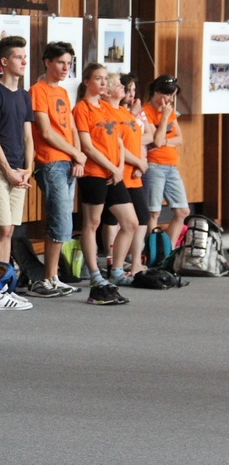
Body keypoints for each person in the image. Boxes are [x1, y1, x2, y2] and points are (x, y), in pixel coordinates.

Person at [73, 63, 138, 304]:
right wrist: (111, 168)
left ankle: (118, 271)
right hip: (94, 173)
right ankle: (95, 275)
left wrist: (119, 168)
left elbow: (119, 142)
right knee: (92, 224)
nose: (102, 83)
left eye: (104, 79)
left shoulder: (107, 108)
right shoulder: (81, 109)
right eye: (98, 79)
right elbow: (87, 146)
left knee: (130, 222)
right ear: (87, 82)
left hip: (113, 173)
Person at [0, 36, 34, 310]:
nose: (24, 61)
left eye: (25, 56)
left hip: (19, 172)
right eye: (18, 57)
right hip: (1, 172)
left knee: (10, 230)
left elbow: (28, 137)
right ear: (3, 62)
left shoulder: (24, 96)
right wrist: (8, 170)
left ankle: (1, 286)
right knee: (0, 229)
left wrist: (28, 169)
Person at [27, 42, 85, 298]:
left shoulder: (62, 92)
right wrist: (75, 153)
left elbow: (71, 126)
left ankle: (53, 276)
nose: (65, 68)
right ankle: (46, 279)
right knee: (60, 219)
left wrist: (78, 156)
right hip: (50, 160)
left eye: (69, 64)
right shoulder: (37, 91)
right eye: (61, 62)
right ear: (48, 62)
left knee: (65, 220)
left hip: (69, 159)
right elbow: (46, 131)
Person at [101, 73, 153, 275]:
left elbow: (138, 139)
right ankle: (115, 262)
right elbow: (119, 145)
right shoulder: (108, 113)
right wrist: (138, 161)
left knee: (141, 217)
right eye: (120, 85)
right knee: (120, 220)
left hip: (135, 173)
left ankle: (133, 263)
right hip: (121, 172)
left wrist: (142, 163)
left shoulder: (125, 112)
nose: (124, 89)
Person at [142, 74, 190, 247]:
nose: (169, 99)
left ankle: (166, 251)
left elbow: (179, 138)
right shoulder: (145, 111)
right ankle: (152, 251)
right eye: (167, 94)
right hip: (154, 165)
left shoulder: (169, 112)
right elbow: (156, 141)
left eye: (172, 96)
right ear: (156, 91)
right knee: (153, 212)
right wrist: (163, 119)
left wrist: (165, 142)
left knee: (183, 211)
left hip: (171, 165)